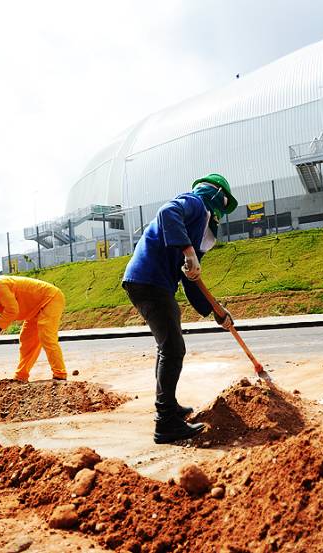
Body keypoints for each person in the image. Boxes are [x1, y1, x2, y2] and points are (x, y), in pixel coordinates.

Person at [122, 173, 238, 444]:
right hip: (149, 281)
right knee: (173, 349)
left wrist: (217, 312)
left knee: (168, 348)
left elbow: (191, 282)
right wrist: (188, 250)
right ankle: (165, 423)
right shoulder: (196, 204)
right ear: (216, 199)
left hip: (152, 283)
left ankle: (169, 407)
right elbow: (167, 211)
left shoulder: (193, 229)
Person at [0, 267, 68, 381]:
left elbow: (12, 310)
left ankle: (60, 374)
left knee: (46, 337)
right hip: (34, 309)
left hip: (50, 300)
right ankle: (21, 376)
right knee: (27, 341)